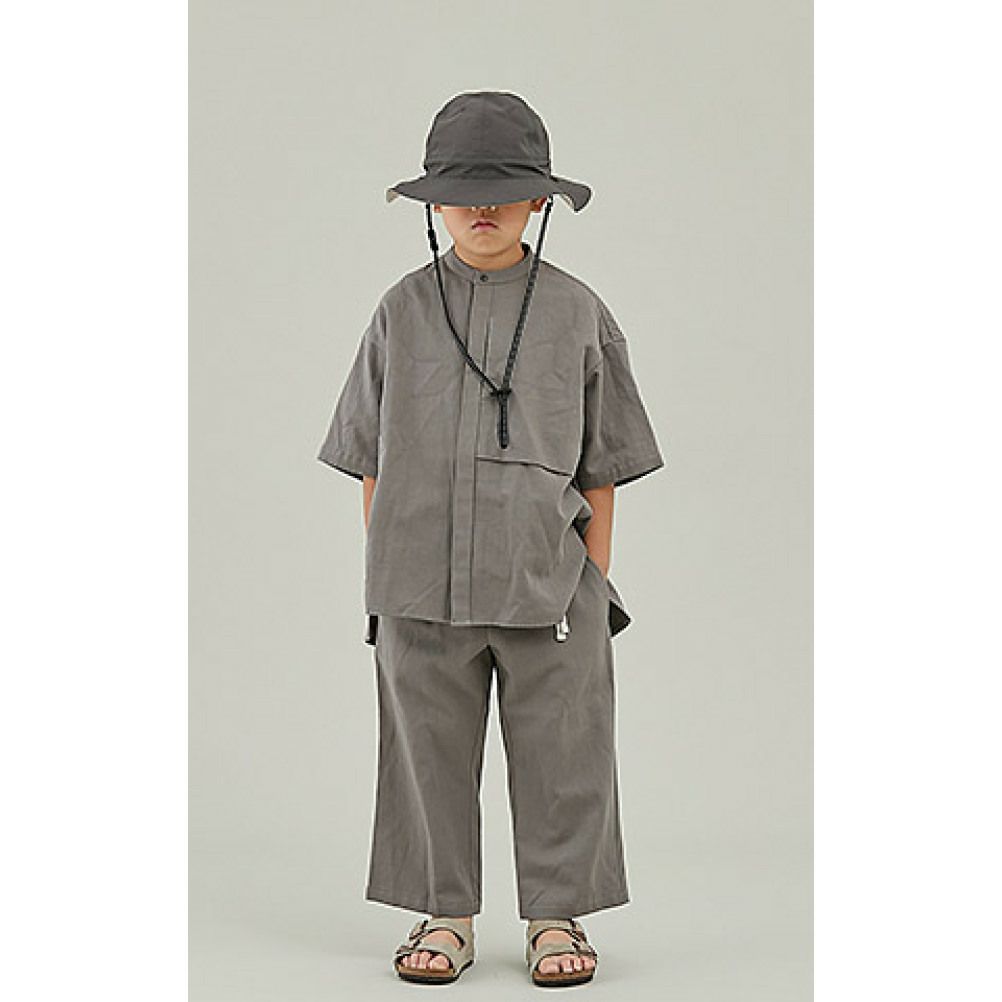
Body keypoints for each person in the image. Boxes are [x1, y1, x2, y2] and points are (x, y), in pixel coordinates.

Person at [317, 91, 665, 987]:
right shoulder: (399, 311)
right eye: (462, 195)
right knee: (425, 755)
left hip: (550, 585)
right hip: (418, 585)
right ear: (434, 203)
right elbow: (367, 456)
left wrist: (590, 581)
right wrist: (389, 566)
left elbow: (603, 465)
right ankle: (446, 915)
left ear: (540, 200)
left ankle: (557, 916)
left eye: (504, 193)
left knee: (566, 756)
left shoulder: (579, 312)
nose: (482, 211)